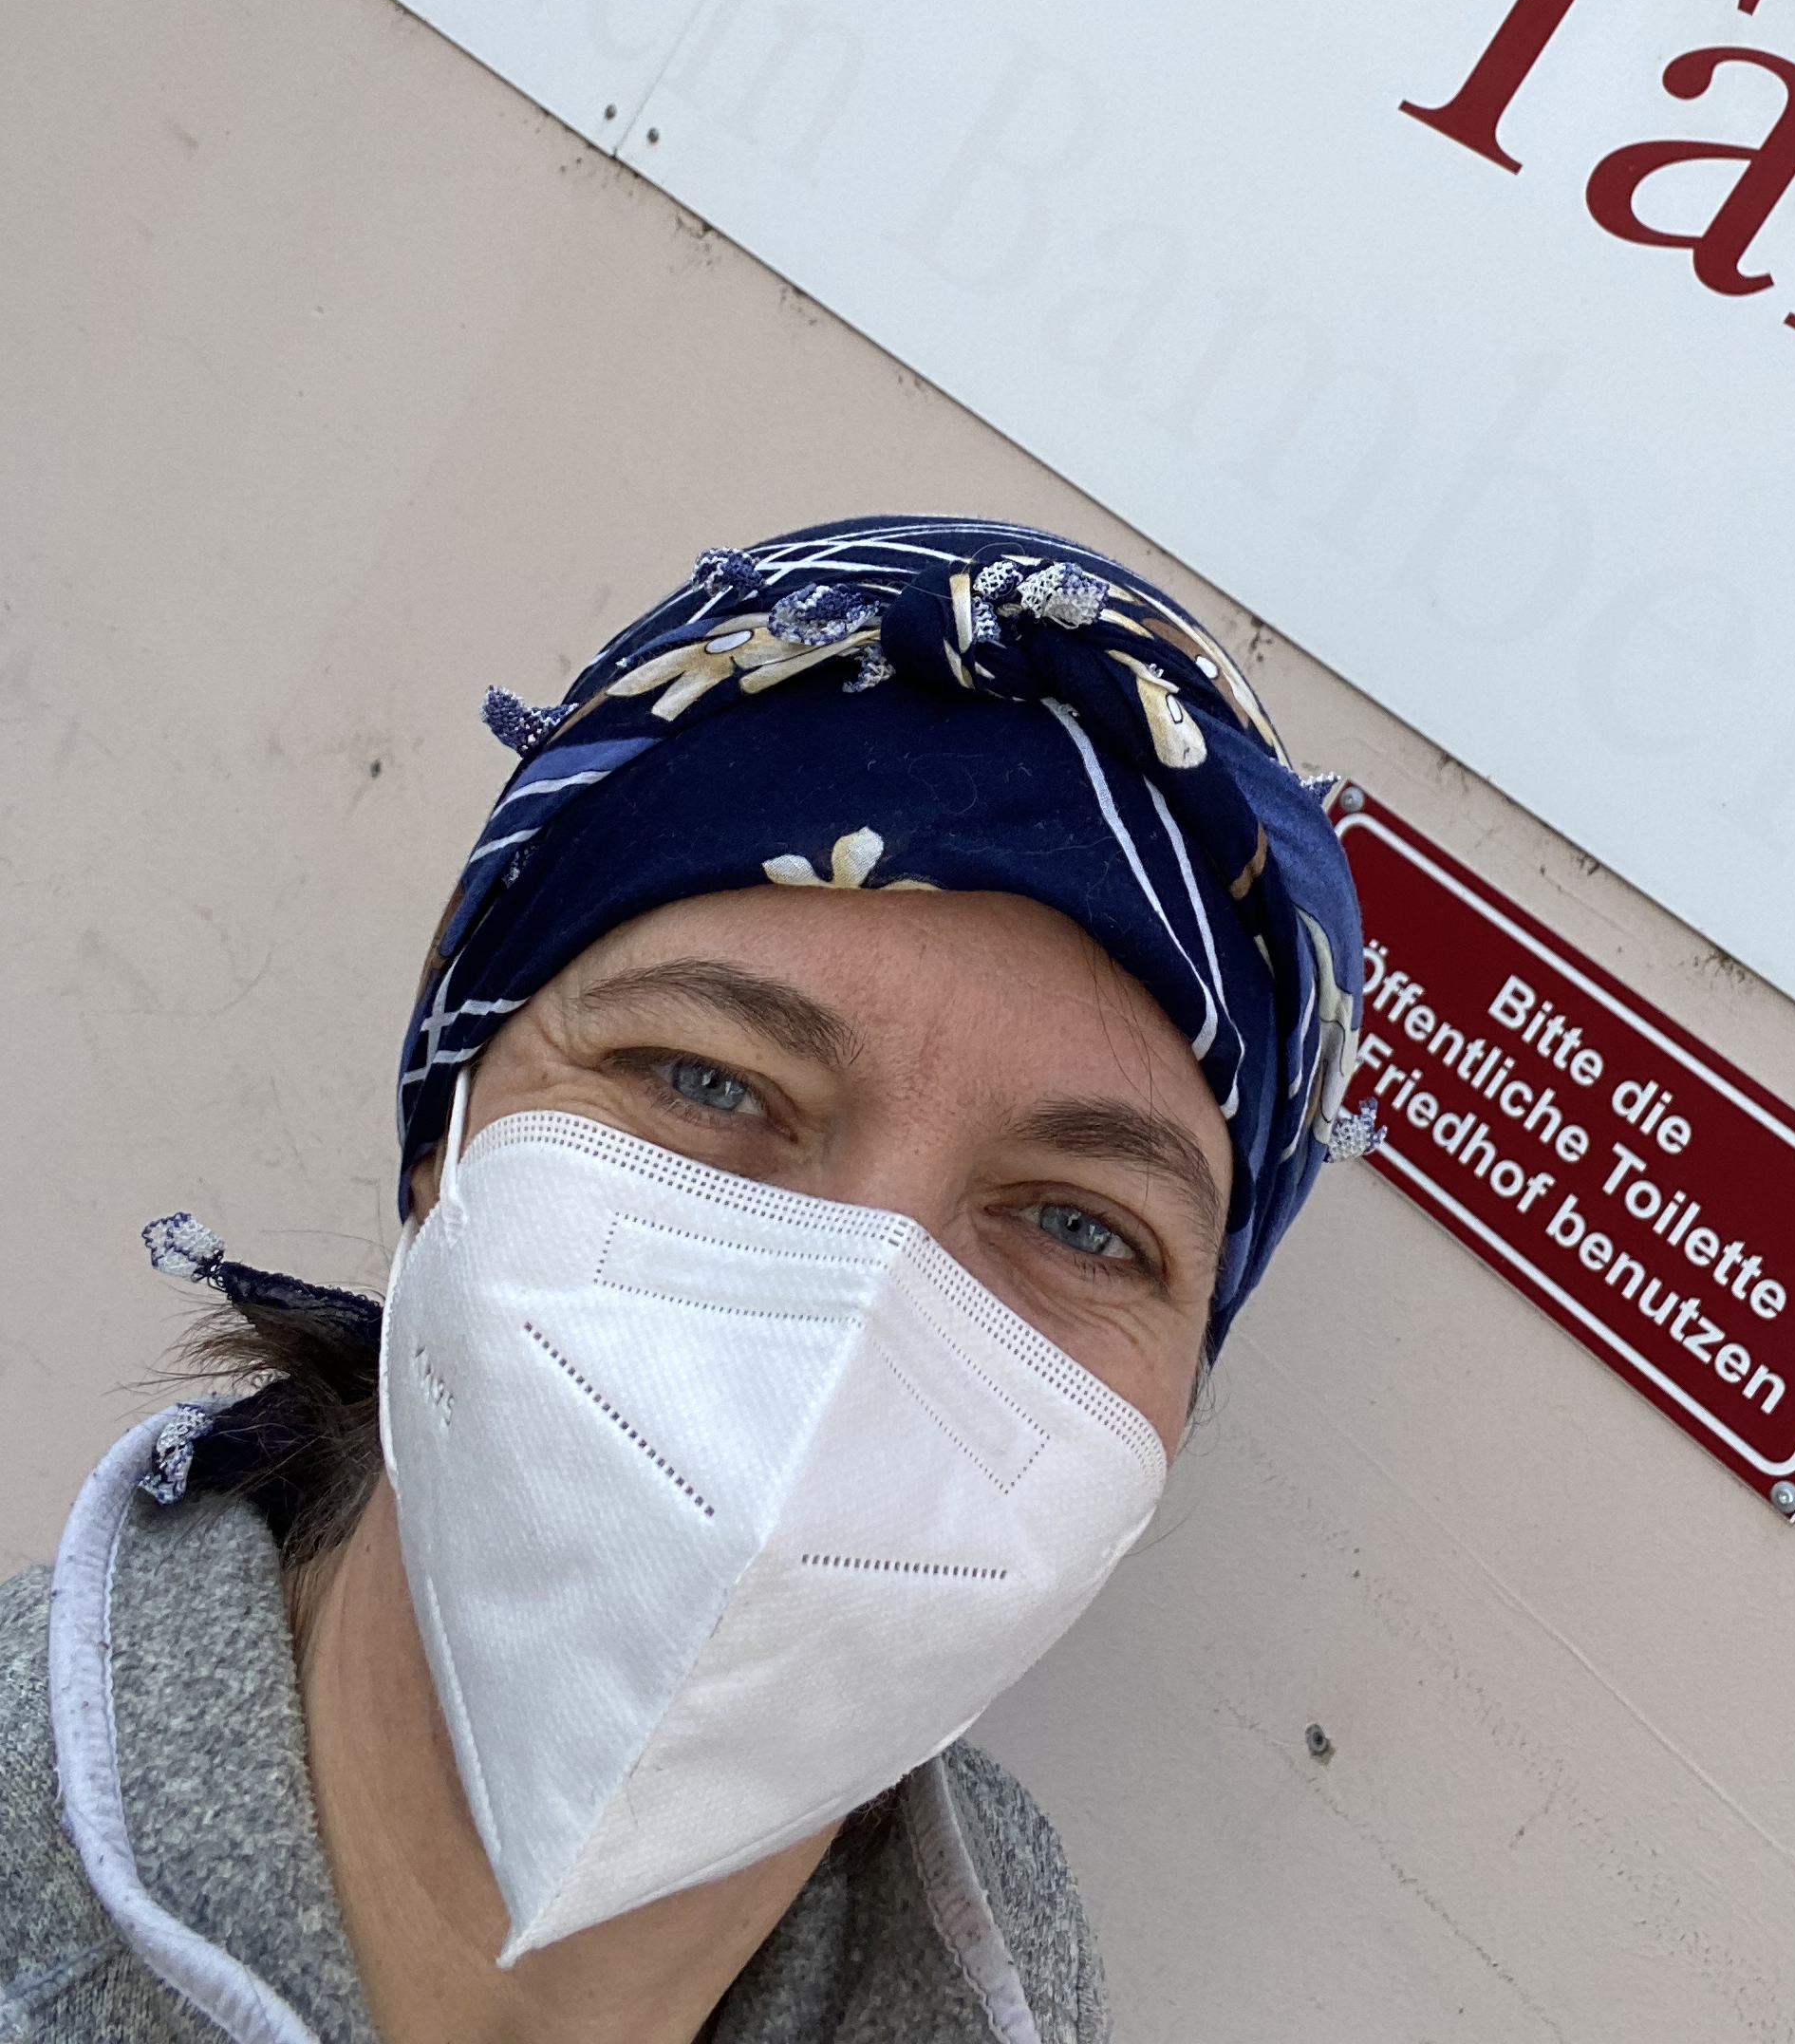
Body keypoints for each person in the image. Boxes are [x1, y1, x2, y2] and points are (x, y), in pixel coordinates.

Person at [0, 515, 1368, 2044]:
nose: (849, 1333)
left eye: (1082, 1226)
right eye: (709, 1081)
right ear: (445, 1147)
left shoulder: (1013, 1974)